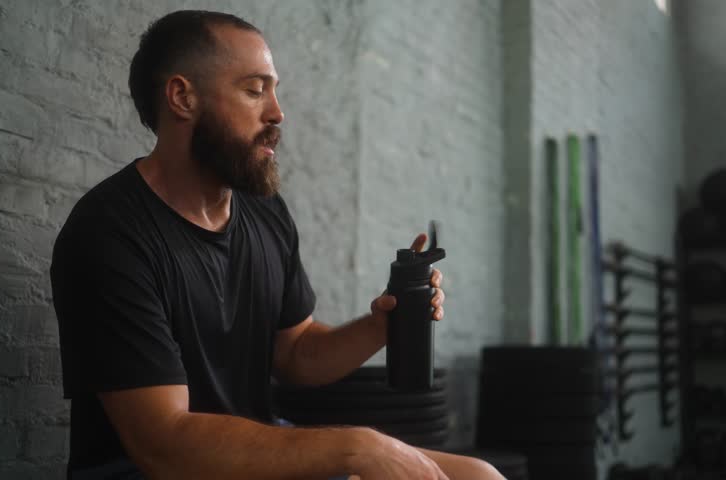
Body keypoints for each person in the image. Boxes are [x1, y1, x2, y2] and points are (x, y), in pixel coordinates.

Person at [50, 10, 504, 480]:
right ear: (183, 97)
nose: (277, 112)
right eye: (254, 90)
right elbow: (163, 444)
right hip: (151, 470)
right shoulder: (109, 234)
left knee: (479, 475)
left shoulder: (264, 212)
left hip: (254, 458)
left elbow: (295, 353)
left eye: (274, 90)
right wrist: (355, 447)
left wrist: (382, 324)